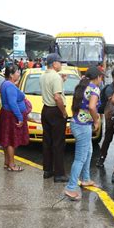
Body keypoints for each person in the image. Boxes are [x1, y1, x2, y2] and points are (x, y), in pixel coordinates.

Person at [64, 66, 103, 200]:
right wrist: (96, 120)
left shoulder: (82, 86)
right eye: (101, 77)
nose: (101, 80)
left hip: (78, 124)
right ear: (98, 77)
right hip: (83, 127)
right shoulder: (94, 88)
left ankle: (85, 179)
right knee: (80, 158)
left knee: (89, 151)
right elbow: (92, 107)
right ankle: (70, 188)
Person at [39, 53, 68, 182]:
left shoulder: (43, 75)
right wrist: (64, 112)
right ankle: (59, 174)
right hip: (55, 111)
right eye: (60, 62)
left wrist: (61, 80)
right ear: (54, 63)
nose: (61, 64)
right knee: (58, 143)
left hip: (45, 109)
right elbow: (57, 97)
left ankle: (48, 170)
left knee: (47, 142)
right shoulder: (56, 77)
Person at [0, 65, 30, 171]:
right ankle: (12, 164)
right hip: (12, 115)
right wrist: (20, 118)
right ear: (11, 75)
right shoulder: (10, 86)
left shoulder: (6, 84)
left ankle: (7, 162)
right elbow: (12, 103)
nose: (19, 74)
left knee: (6, 139)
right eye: (17, 73)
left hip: (7, 114)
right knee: (11, 140)